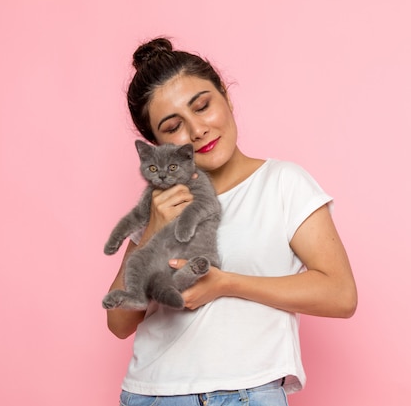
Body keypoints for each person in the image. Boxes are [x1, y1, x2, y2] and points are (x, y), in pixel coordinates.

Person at [106, 37, 357, 406]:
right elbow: (119, 323)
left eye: (203, 106)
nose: (197, 131)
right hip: (152, 395)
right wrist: (152, 234)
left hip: (248, 393)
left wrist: (225, 284)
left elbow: (340, 295)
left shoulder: (283, 183)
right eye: (173, 127)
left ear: (226, 95)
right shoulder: (161, 205)